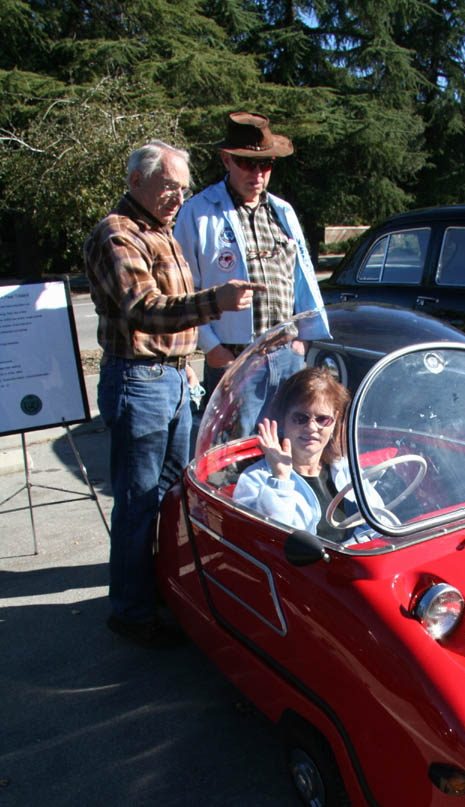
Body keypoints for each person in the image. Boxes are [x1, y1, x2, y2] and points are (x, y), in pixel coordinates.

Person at [84, 138, 266, 647]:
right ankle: (131, 611)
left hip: (168, 377)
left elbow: (167, 316)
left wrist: (186, 365)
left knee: (170, 496)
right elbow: (143, 307)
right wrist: (217, 301)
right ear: (136, 181)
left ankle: (159, 589)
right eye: (169, 186)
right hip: (138, 380)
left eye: (183, 189)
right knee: (138, 501)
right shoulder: (117, 234)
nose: (177, 198)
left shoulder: (161, 232)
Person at [173, 111, 328, 428]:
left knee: (288, 448)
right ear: (226, 160)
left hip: (288, 355)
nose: (257, 173)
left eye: (265, 164)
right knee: (237, 455)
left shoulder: (282, 211)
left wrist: (304, 341)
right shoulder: (198, 213)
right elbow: (183, 290)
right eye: (246, 163)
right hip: (234, 359)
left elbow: (302, 279)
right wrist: (212, 348)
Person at [233, 367, 382, 544]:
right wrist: (280, 479)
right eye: (300, 418)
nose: (312, 428)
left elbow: (379, 521)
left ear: (334, 420)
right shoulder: (255, 479)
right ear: (283, 418)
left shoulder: (345, 469)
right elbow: (272, 543)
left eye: (322, 419)